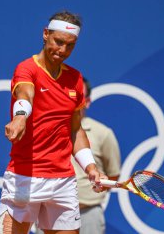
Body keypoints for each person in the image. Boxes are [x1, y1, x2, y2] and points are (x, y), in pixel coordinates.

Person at [0, 10, 107, 234]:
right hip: (24, 178)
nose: (63, 51)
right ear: (45, 34)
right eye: (58, 42)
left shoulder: (75, 78)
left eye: (70, 45)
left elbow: (74, 130)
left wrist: (90, 166)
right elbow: (25, 95)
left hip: (63, 182)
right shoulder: (27, 69)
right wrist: (20, 117)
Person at [36, 78, 121, 234]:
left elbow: (113, 175)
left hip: (88, 214)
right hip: (50, 214)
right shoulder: (44, 131)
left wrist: (100, 184)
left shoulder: (103, 134)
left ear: (87, 101)